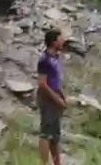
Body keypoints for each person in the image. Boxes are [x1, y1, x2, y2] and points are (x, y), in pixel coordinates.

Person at [38, 30, 66, 165]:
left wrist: (62, 96)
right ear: (54, 42)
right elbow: (42, 84)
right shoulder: (44, 60)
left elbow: (57, 80)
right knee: (46, 133)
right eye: (60, 40)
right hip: (47, 97)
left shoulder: (56, 58)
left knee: (55, 135)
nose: (62, 42)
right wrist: (56, 99)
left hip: (55, 95)